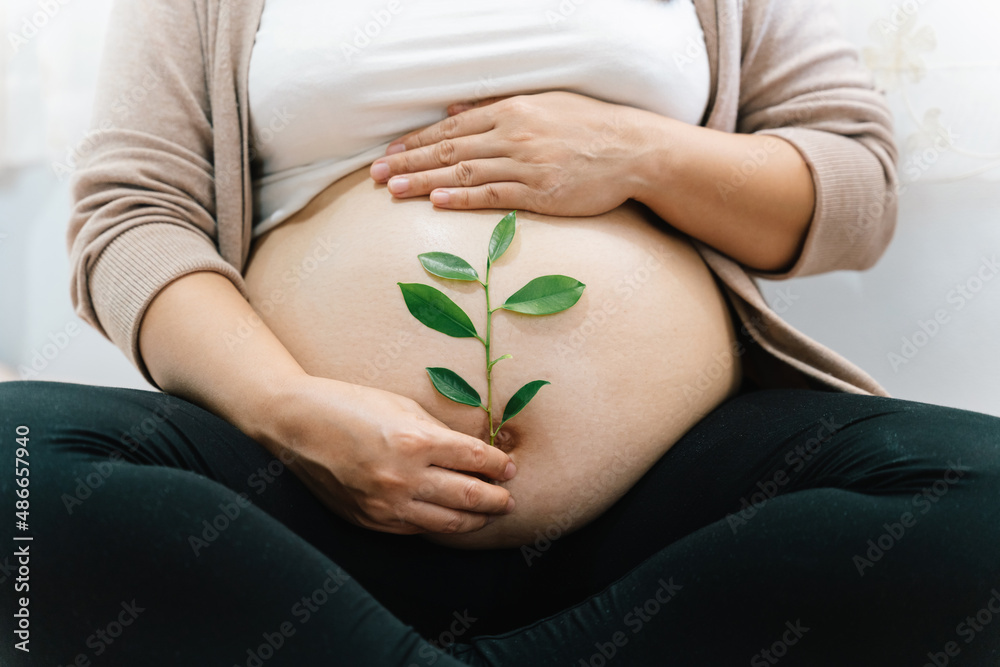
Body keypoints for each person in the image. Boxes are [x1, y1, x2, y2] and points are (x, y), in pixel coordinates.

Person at [2, 0, 998, 664]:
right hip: (299, 503)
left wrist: (636, 153)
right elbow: (133, 218)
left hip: (662, 515)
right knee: (14, 468)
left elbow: (854, 189)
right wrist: (289, 409)